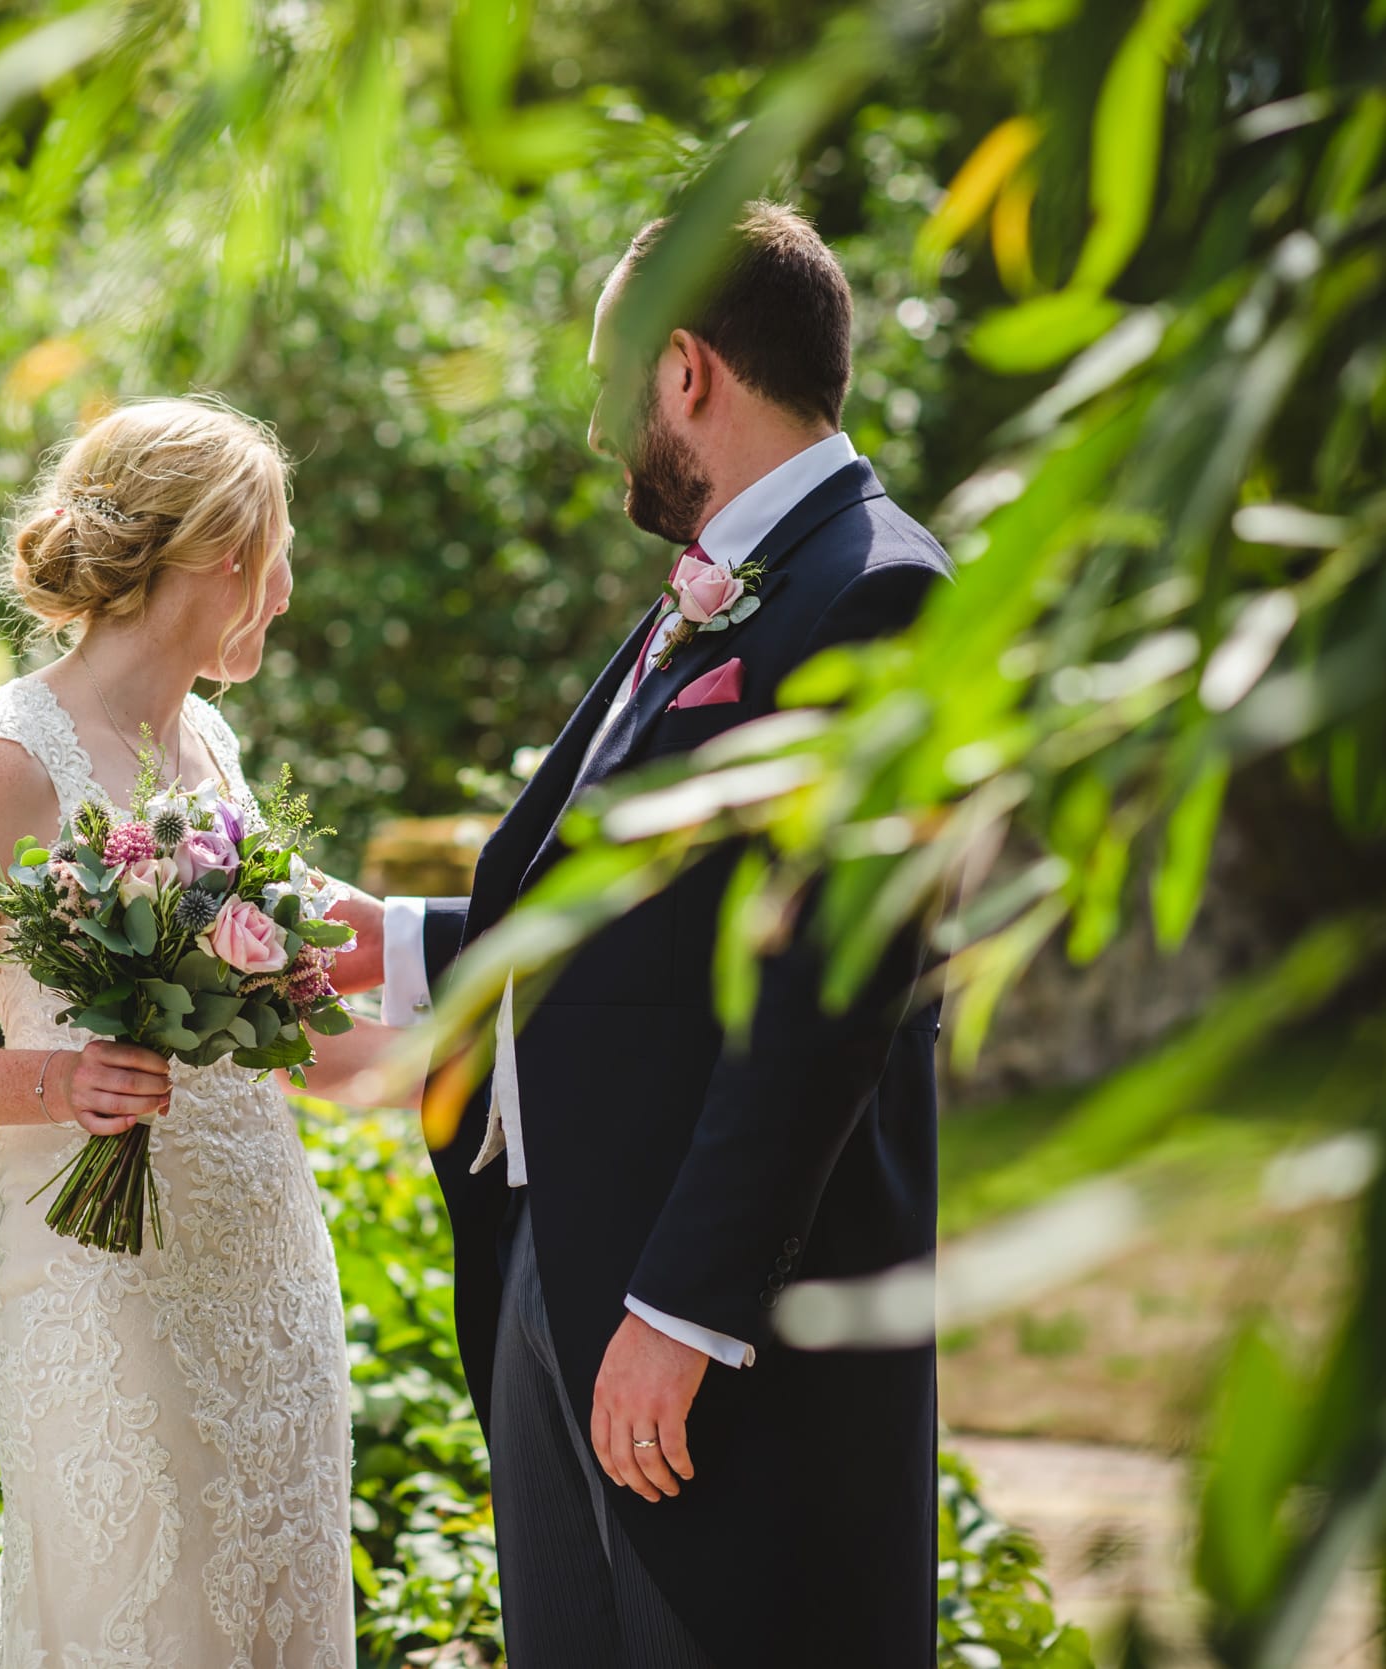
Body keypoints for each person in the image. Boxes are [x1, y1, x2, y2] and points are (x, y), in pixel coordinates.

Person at [329, 202, 953, 1668]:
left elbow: (828, 987)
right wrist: (399, 942)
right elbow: (639, 909)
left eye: (614, 380)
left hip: (712, 1310)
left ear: (683, 371)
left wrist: (683, 1310)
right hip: (566, 1253)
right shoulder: (727, 587)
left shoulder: (876, 593)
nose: (605, 424)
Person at [0, 395, 412, 1669]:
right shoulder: (4, 761)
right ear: (220, 555)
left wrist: (506, 1045)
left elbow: (291, 1033)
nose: (290, 582)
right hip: (105, 1284)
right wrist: (62, 1081)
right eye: (281, 547)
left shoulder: (206, 743)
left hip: (264, 1271)